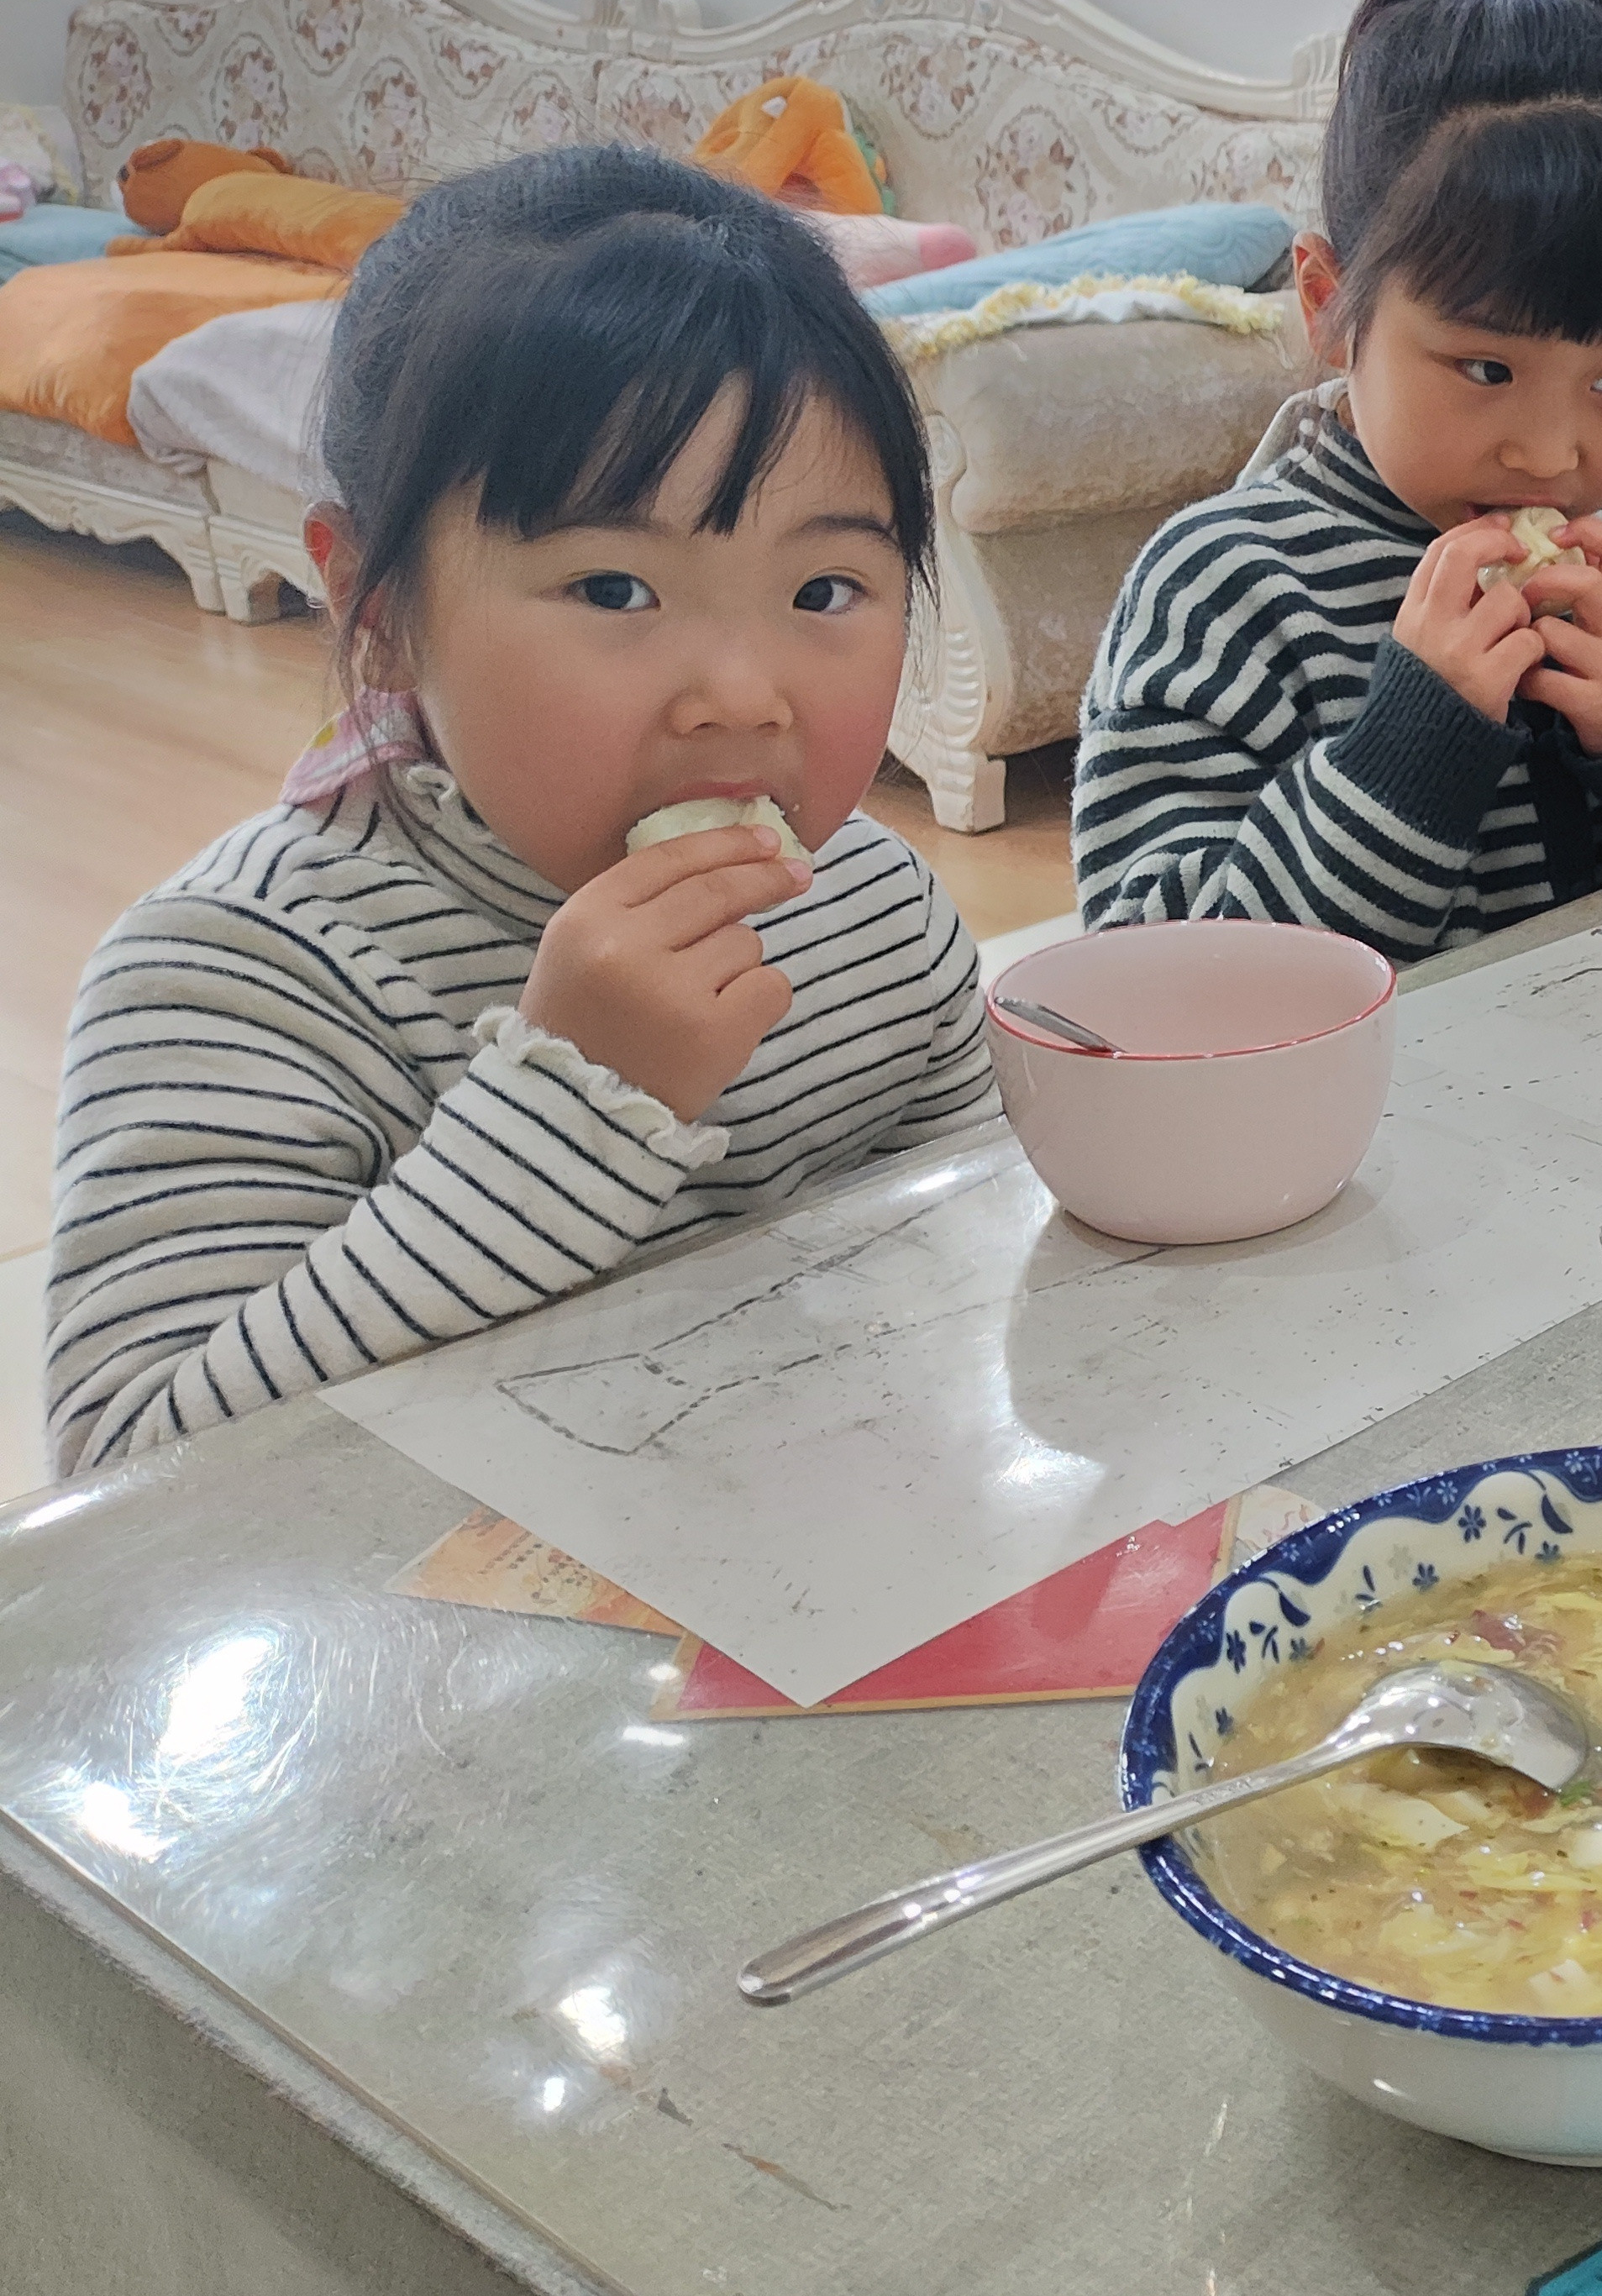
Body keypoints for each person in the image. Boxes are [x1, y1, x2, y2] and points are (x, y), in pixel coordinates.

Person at [45, 149, 1000, 1473]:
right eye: (614, 590)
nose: (741, 697)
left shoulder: (879, 916)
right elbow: (128, 1477)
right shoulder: (235, 979)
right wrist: (576, 1101)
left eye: (826, 591)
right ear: (378, 614)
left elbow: (985, 1250)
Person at [1075, 0, 1602, 956]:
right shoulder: (1224, 595)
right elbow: (1146, 976)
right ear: (1330, 307)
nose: (1550, 455)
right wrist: (1410, 744)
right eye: (1484, 367)